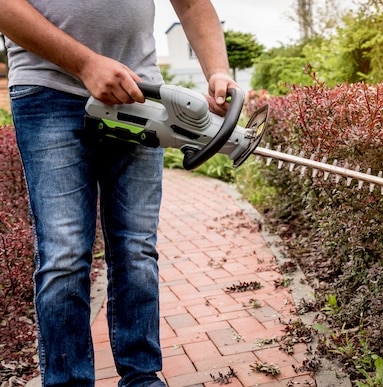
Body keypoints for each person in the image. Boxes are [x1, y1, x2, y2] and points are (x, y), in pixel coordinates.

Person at [0, 1, 239, 386]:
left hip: (139, 94)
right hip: (48, 92)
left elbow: (192, 3)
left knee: (137, 249)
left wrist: (218, 71)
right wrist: (85, 63)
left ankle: (142, 378)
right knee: (64, 255)